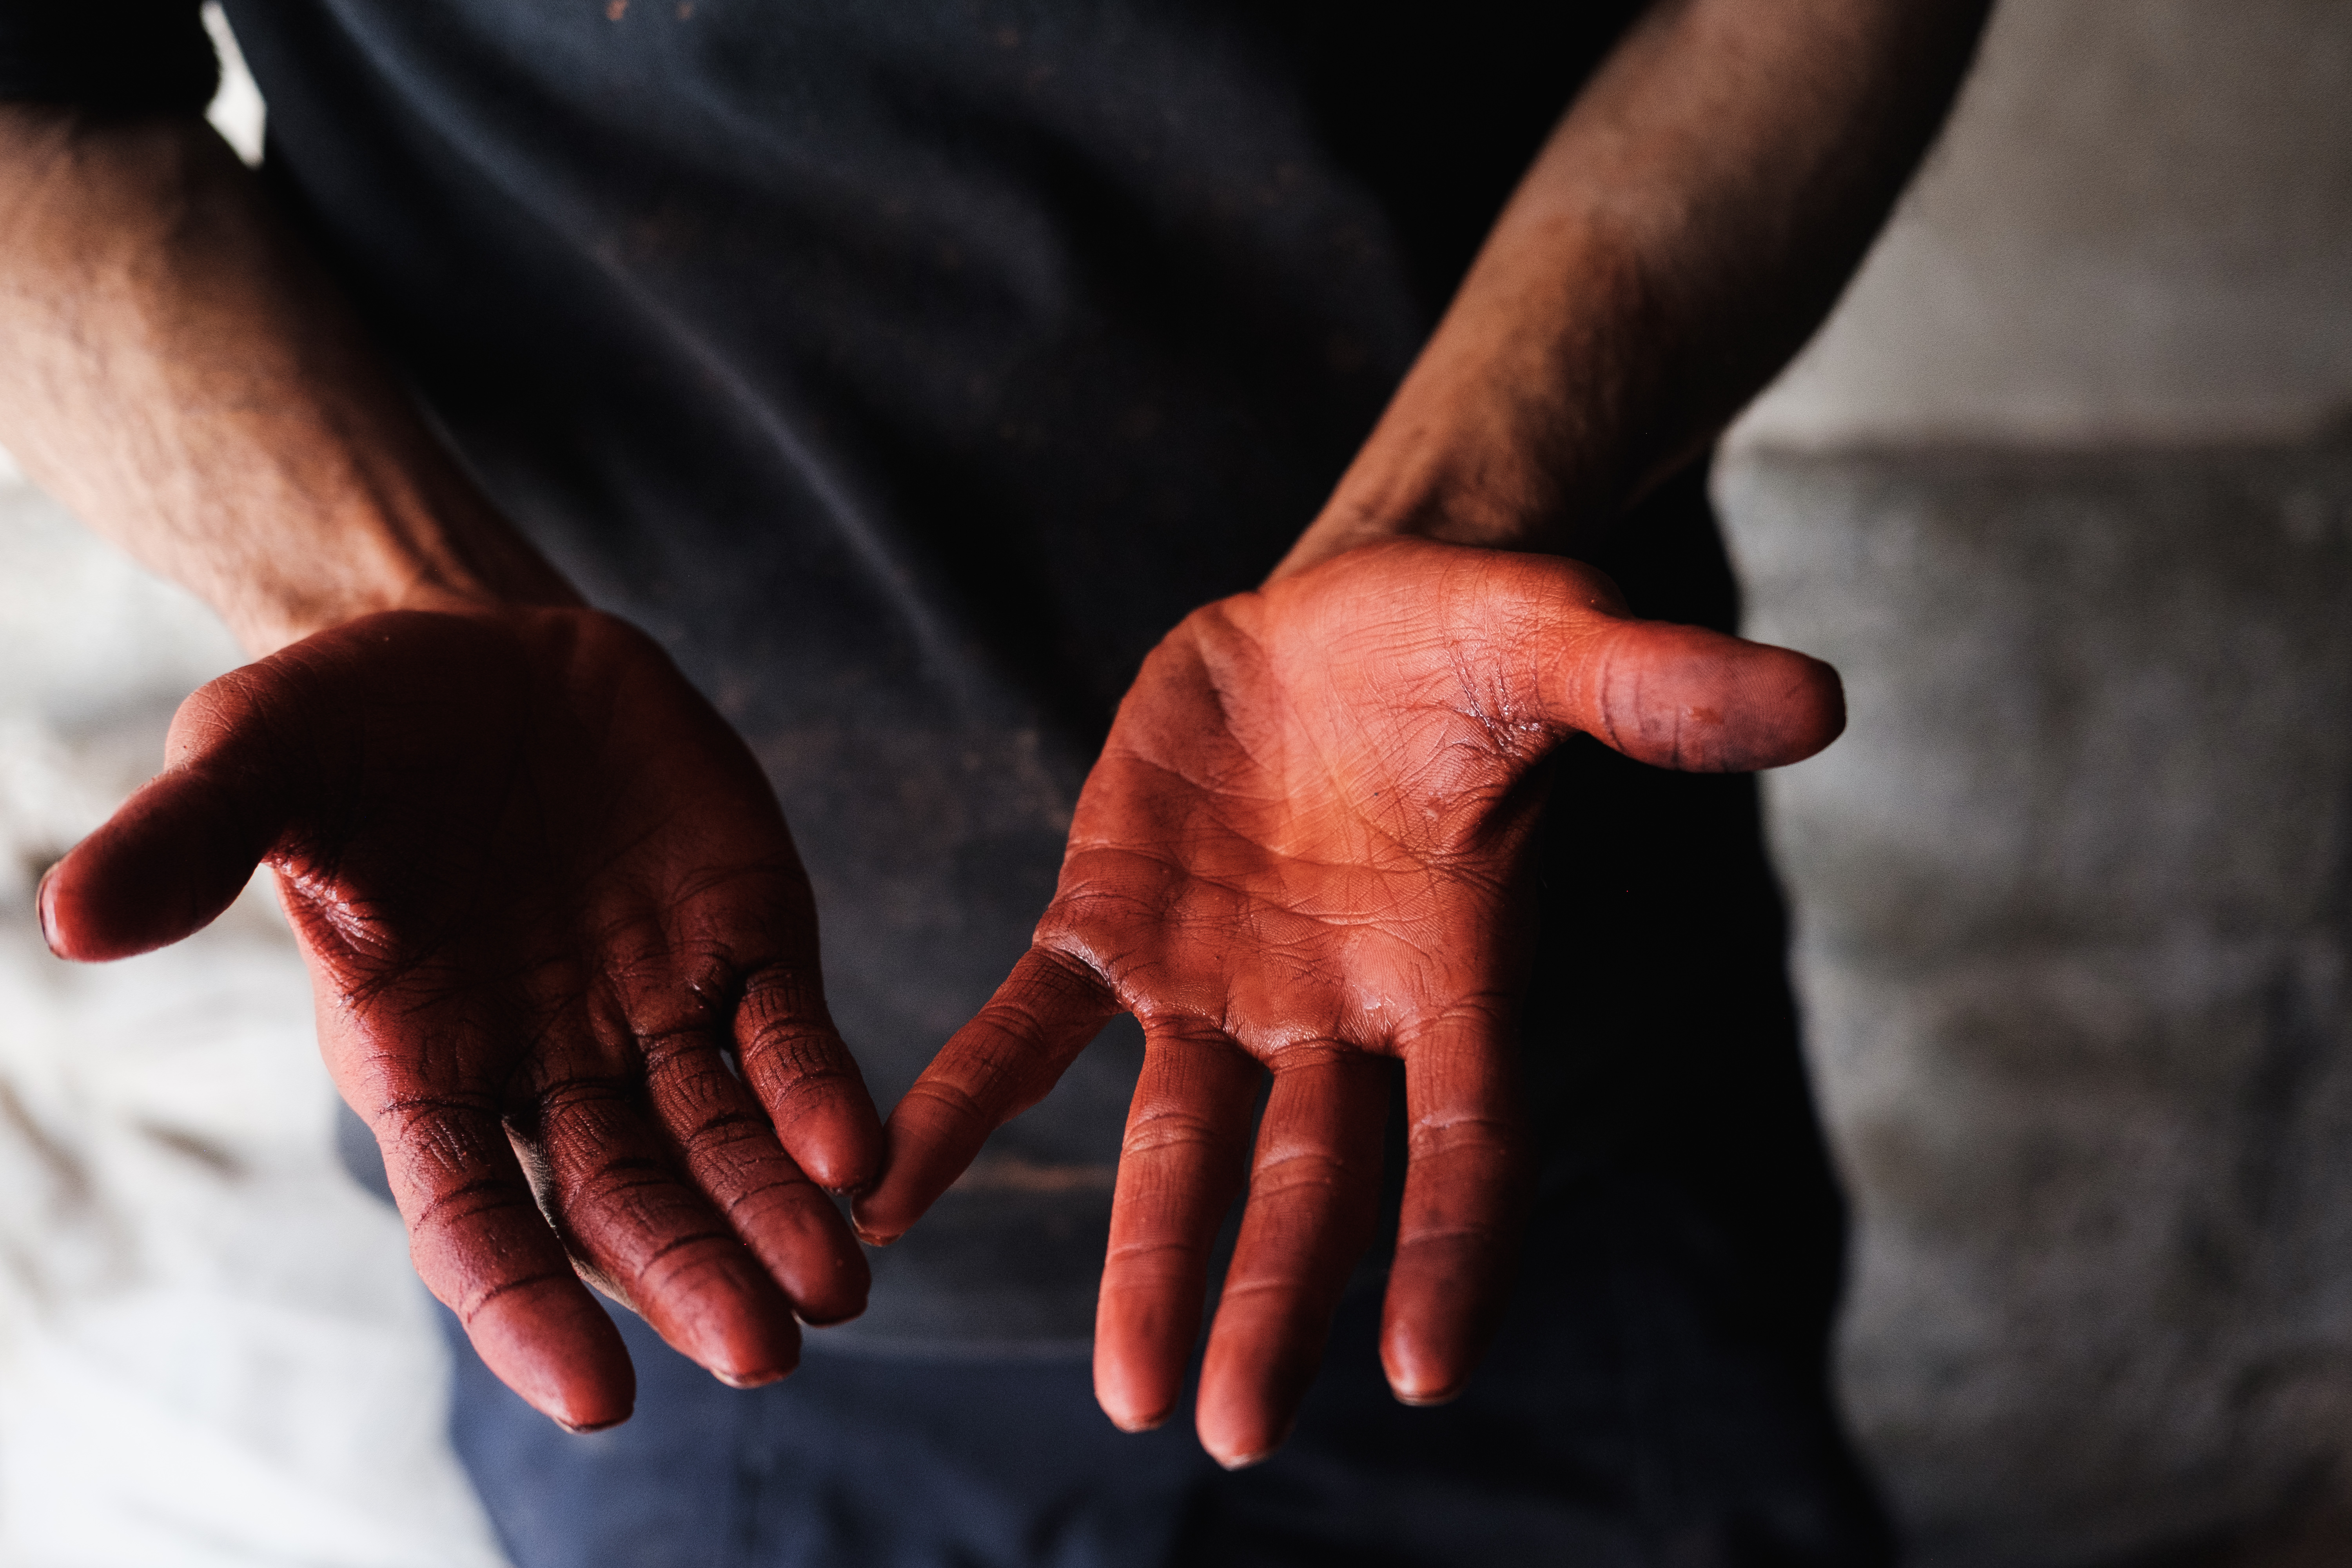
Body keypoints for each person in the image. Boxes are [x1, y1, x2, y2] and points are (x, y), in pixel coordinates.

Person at [0, 2, 1989, 1562]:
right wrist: (389, 583)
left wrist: (1457, 506)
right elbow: (42, 118)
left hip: (1506, 1037)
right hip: (652, 1148)